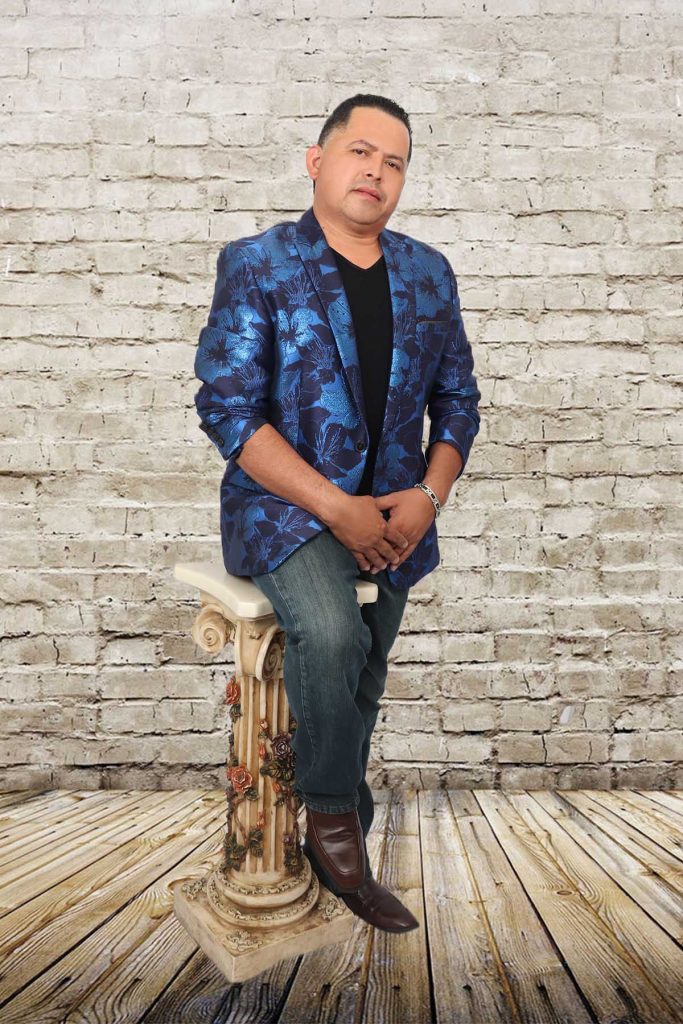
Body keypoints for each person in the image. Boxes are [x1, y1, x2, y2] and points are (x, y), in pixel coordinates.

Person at [194, 93, 481, 933]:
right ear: (317, 161)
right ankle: (333, 820)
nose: (375, 172)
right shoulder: (258, 263)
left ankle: (339, 803)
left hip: (395, 515)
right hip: (281, 507)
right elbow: (228, 411)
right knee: (330, 633)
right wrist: (333, 507)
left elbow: (458, 402)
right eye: (360, 152)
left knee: (365, 670)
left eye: (394, 162)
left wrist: (427, 496)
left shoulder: (428, 273)